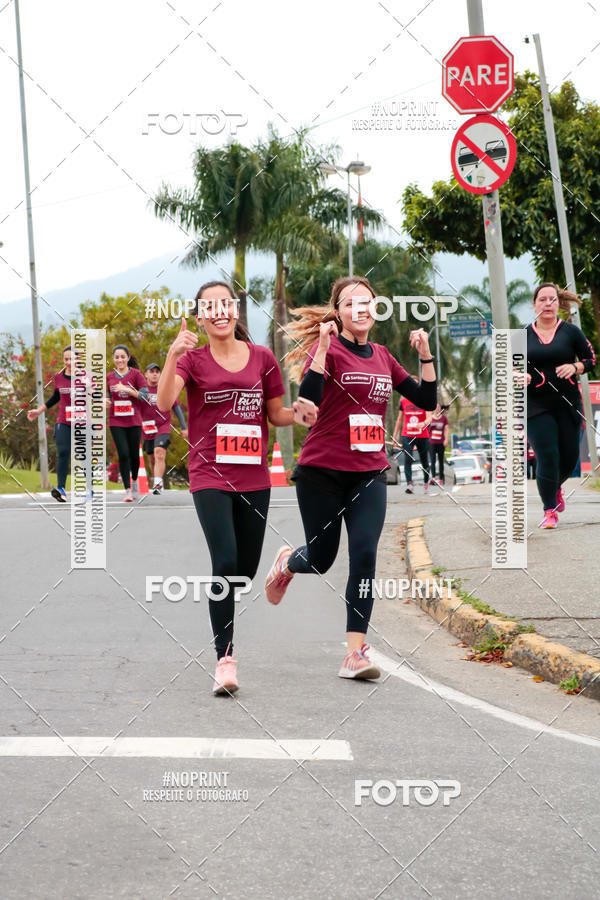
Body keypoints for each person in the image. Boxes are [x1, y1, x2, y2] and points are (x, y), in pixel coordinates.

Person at [265, 276, 437, 681]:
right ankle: (289, 561)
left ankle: (355, 652)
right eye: (351, 303)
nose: (360, 309)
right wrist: (323, 349)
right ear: (338, 313)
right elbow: (308, 400)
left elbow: (427, 400)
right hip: (321, 471)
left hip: (370, 471)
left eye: (367, 302)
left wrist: (426, 356)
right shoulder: (328, 350)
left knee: (364, 554)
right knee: (322, 559)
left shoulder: (382, 356)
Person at [157, 280, 315, 696]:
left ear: (235, 310)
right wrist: (174, 353)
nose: (220, 311)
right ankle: (224, 660)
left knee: (241, 572)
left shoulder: (263, 358)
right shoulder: (191, 360)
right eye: (210, 306)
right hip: (208, 473)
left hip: (253, 476)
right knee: (224, 561)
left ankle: (279, 566)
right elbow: (162, 403)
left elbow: (275, 414)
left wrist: (297, 414)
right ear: (200, 317)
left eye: (225, 303)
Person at [525, 283, 595, 528]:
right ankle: (548, 510)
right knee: (547, 455)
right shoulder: (521, 336)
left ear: (558, 303)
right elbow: (507, 369)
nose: (547, 304)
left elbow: (591, 359)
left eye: (552, 299)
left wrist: (575, 367)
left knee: (569, 456)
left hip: (567, 403)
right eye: (542, 299)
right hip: (535, 405)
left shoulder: (571, 332)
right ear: (534, 305)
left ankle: (554, 488)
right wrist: (518, 375)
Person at [27, 345, 80, 502]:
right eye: (66, 359)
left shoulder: (86, 376)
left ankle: (89, 488)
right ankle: (61, 489)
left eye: (72, 359)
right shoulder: (59, 377)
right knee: (63, 452)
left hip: (82, 422)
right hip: (63, 421)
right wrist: (39, 410)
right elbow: (55, 397)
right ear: (63, 360)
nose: (69, 362)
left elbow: (95, 395)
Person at [106, 345, 148, 502]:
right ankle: (127, 490)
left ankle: (135, 480)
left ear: (128, 358)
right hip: (116, 421)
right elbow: (107, 395)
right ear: (114, 359)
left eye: (122, 357)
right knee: (123, 454)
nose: (120, 360)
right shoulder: (109, 376)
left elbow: (144, 396)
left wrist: (127, 389)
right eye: (117, 357)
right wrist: (106, 401)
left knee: (134, 456)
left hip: (134, 421)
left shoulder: (136, 375)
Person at [141, 363, 188, 494]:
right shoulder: (142, 390)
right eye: (151, 371)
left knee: (159, 453)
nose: (155, 374)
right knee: (151, 458)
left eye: (157, 371)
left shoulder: (165, 388)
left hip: (162, 426)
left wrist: (184, 427)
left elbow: (177, 408)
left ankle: (157, 484)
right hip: (147, 428)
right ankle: (155, 477)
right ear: (146, 374)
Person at [393, 386, 432, 493]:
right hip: (407, 434)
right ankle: (409, 484)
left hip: (422, 435)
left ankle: (425, 482)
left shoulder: (425, 401)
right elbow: (399, 420)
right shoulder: (403, 401)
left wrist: (423, 423)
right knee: (408, 458)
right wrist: (395, 435)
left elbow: (429, 418)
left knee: (424, 461)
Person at [428, 404, 449, 486]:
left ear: (440, 409)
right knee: (432, 460)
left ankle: (440, 479)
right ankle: (433, 477)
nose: (437, 409)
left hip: (441, 442)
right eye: (436, 408)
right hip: (432, 443)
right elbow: (425, 428)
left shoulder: (444, 418)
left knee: (441, 461)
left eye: (438, 408)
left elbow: (447, 429)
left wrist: (446, 439)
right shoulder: (430, 418)